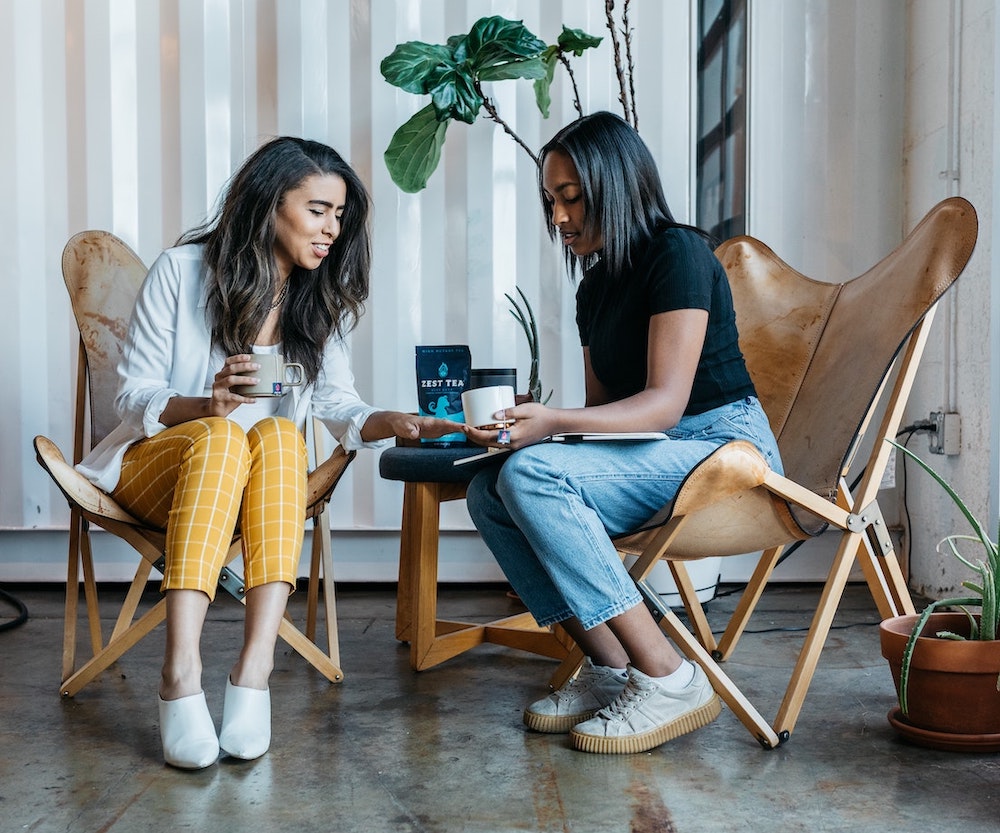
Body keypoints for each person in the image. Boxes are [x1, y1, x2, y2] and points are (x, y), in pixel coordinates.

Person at [76, 136, 456, 769]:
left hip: (256, 481)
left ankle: (254, 672)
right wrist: (206, 405)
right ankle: (180, 672)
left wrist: (389, 420)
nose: (332, 228)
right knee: (227, 435)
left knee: (279, 434)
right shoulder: (183, 270)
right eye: (317, 210)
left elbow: (337, 403)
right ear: (268, 205)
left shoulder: (317, 298)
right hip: (157, 466)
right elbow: (133, 394)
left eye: (340, 215)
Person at [463, 112, 783, 754]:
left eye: (572, 198)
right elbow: (607, 416)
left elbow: (663, 406)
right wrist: (539, 423)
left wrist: (553, 426)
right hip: (656, 454)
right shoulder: (596, 289)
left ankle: (669, 679)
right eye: (551, 201)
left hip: (725, 452)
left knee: (530, 472)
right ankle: (612, 668)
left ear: (615, 182)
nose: (558, 217)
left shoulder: (679, 253)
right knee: (490, 488)